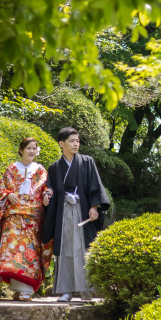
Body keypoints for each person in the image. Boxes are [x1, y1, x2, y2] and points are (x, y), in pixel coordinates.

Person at [42, 127, 109, 302]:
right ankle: (66, 290)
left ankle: (85, 289)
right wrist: (47, 194)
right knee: (64, 249)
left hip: (82, 209)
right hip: (62, 211)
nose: (76, 144)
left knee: (82, 249)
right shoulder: (55, 167)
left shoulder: (87, 162)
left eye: (77, 140)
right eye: (72, 141)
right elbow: (50, 187)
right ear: (61, 144)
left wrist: (94, 206)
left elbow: (95, 185)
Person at [0, 137, 53, 301]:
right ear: (21, 150)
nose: (32, 151)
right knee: (12, 250)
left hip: (32, 216)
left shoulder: (40, 170)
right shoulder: (11, 168)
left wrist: (46, 194)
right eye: (29, 148)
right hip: (13, 216)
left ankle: (27, 290)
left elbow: (46, 188)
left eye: (34, 148)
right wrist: (9, 195)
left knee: (30, 251)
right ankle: (18, 288)